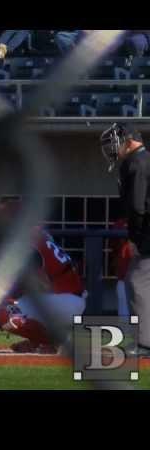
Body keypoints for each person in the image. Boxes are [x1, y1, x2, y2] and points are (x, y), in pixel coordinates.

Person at [0, 203, 86, 354]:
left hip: (63, 301)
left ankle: (52, 341)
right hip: (70, 299)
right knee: (17, 302)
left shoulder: (29, 241)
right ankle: (37, 342)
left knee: (3, 309)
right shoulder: (40, 235)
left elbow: (39, 282)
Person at [100, 122, 150, 356]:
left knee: (136, 282)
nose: (112, 148)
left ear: (130, 140)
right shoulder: (144, 159)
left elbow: (138, 206)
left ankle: (144, 343)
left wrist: (136, 237)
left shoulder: (137, 162)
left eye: (116, 142)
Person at [110, 218, 134, 316]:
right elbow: (114, 245)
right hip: (124, 277)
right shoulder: (120, 223)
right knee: (125, 319)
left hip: (145, 277)